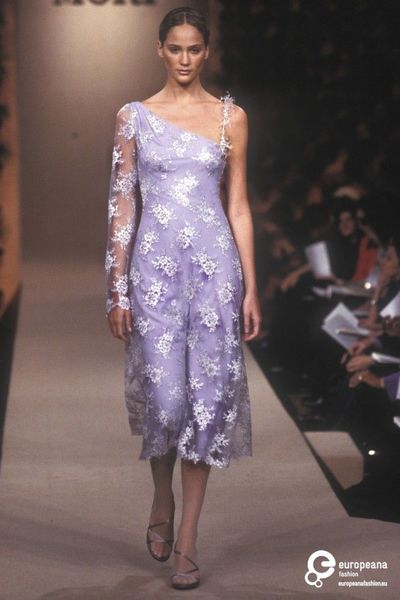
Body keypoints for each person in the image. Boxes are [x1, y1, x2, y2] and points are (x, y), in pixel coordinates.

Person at [104, 6, 261, 591]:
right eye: (176, 48)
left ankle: (188, 540)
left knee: (205, 407)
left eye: (195, 48)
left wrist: (252, 286)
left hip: (215, 274)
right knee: (166, 403)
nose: (186, 59)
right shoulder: (133, 117)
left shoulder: (230, 118)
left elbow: (238, 205)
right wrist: (116, 288)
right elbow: (123, 204)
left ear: (207, 51)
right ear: (160, 50)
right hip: (154, 275)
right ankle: (161, 497)